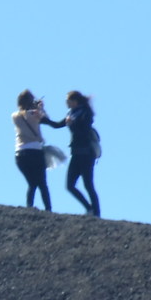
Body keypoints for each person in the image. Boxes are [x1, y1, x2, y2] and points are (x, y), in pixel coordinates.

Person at [13, 89, 65, 212]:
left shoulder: (15, 116)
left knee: (32, 183)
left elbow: (27, 114)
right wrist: (41, 108)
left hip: (20, 153)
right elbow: (50, 121)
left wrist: (37, 108)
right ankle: (48, 209)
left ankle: (29, 206)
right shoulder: (35, 114)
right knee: (42, 183)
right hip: (35, 152)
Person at [60, 89, 101, 217]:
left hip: (86, 154)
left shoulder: (85, 113)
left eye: (68, 100)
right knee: (70, 185)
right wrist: (41, 117)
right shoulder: (71, 113)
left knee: (88, 185)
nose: (66, 103)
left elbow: (82, 132)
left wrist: (71, 125)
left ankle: (96, 213)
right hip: (76, 153)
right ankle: (89, 208)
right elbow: (57, 125)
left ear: (74, 101)